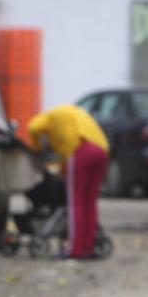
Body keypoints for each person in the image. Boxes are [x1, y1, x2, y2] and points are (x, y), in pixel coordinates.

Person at [26, 104, 109, 259]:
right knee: (89, 202)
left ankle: (75, 249)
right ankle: (88, 247)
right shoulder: (73, 113)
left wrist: (36, 148)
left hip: (81, 152)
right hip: (101, 150)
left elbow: (32, 128)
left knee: (74, 202)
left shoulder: (47, 117)